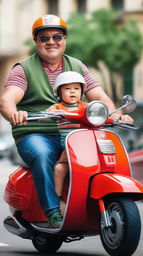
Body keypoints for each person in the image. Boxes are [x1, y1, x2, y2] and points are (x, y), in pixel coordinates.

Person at [0, 14, 133, 228]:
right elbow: (7, 99)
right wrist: (14, 113)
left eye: (56, 36)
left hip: (74, 132)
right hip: (35, 133)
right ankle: (52, 212)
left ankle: (90, 205)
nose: (51, 42)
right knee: (43, 155)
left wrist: (115, 113)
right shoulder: (23, 69)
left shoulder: (77, 66)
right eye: (44, 38)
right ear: (36, 42)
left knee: (99, 155)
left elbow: (99, 96)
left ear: (64, 39)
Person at [46, 71, 88, 215]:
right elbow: (48, 113)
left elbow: (101, 112)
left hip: (87, 146)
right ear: (59, 92)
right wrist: (49, 112)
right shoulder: (58, 108)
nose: (72, 92)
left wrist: (118, 116)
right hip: (69, 146)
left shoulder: (86, 106)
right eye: (67, 88)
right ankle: (57, 200)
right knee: (59, 169)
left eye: (76, 88)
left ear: (82, 91)